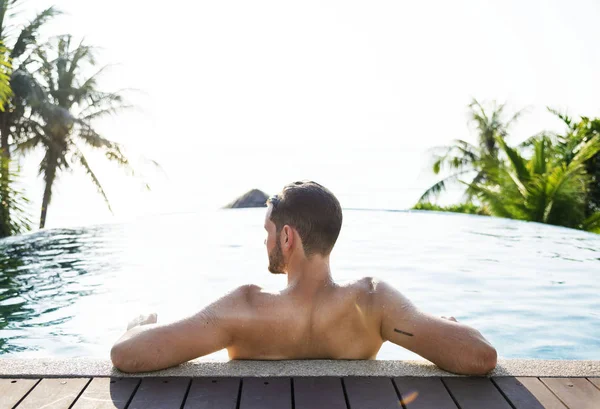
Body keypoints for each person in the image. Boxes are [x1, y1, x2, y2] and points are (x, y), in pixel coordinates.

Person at [111, 181, 497, 375]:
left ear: (286, 237)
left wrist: (135, 327)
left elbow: (128, 356)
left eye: (267, 233)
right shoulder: (373, 302)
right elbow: (480, 355)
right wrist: (443, 328)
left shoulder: (244, 308)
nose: (265, 242)